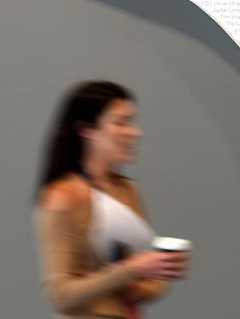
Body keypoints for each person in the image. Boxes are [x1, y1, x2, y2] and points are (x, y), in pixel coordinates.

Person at [33, 80, 189, 319]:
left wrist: (157, 269)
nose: (135, 132)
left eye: (132, 122)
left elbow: (151, 284)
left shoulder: (127, 190)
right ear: (87, 130)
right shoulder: (61, 198)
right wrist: (131, 270)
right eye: (121, 122)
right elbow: (61, 296)